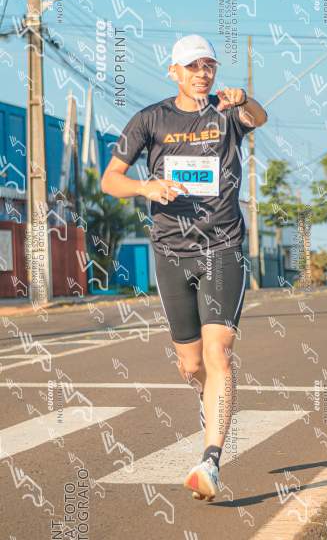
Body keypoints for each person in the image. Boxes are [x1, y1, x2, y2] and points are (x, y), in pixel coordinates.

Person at [101, 34, 268, 501]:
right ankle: (207, 397)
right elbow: (110, 180)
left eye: (208, 65)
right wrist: (146, 187)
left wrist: (244, 98)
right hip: (172, 251)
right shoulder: (149, 119)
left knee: (220, 353)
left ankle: (210, 459)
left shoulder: (227, 111)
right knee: (192, 364)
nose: (202, 73)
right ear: (173, 71)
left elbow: (259, 118)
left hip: (223, 247)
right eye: (192, 66)